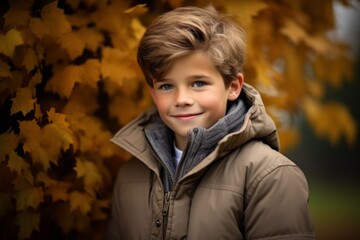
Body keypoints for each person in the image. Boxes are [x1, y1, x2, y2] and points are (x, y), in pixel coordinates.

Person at [106, 5, 315, 240]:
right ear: (154, 94)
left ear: (233, 87)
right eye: (166, 86)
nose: (182, 99)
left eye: (198, 83)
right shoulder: (130, 175)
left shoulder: (269, 176)